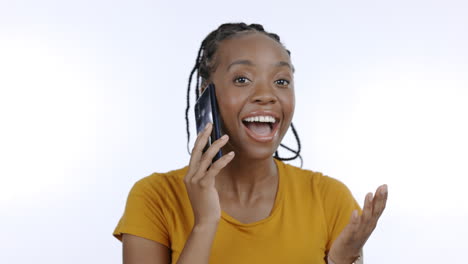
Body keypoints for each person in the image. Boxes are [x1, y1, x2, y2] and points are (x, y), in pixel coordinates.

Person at [113, 22, 388, 264]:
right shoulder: (154, 198)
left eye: (281, 81)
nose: (267, 95)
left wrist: (340, 262)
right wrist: (205, 224)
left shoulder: (330, 199)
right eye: (242, 79)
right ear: (205, 95)